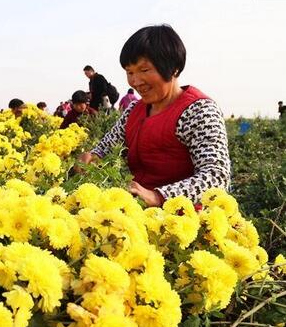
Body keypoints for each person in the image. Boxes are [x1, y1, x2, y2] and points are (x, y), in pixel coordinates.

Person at [78, 24, 231, 206]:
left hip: (182, 222)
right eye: (130, 72)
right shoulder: (134, 110)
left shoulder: (199, 110)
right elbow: (105, 147)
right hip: (135, 211)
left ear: (173, 68)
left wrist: (158, 196)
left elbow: (217, 177)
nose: (135, 81)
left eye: (144, 70)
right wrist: (91, 157)